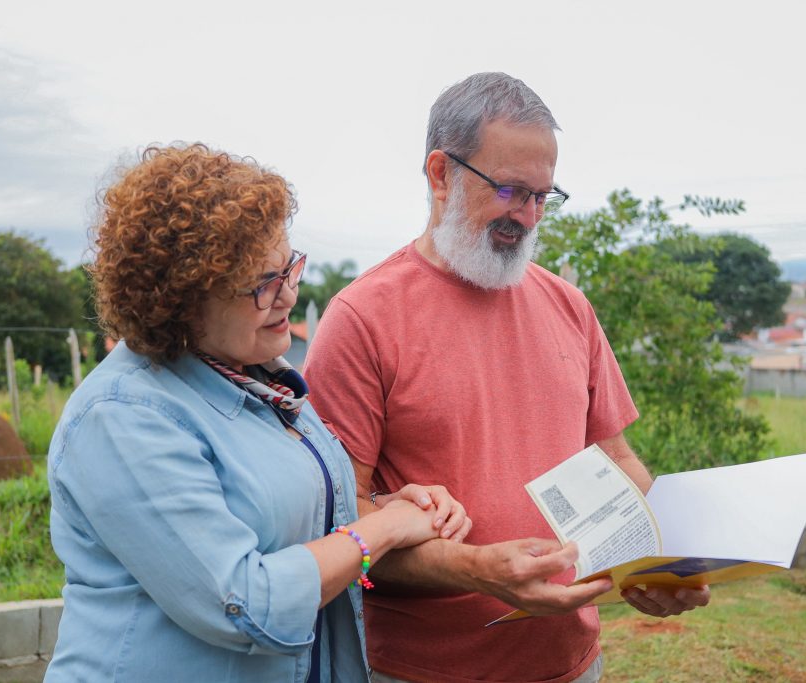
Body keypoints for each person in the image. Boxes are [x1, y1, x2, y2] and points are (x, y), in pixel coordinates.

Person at [302, 73, 710, 683]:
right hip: (420, 671)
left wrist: (657, 562)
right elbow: (339, 524)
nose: (528, 216)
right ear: (440, 174)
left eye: (545, 196)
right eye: (512, 191)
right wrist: (475, 570)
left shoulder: (569, 306)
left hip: (570, 664)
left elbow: (615, 461)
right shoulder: (362, 318)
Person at [44, 143, 470, 683]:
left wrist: (386, 504)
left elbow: (291, 520)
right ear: (183, 298)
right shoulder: (122, 417)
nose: (289, 294)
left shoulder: (257, 378)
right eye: (263, 284)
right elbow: (244, 604)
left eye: (289, 267)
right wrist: (382, 531)